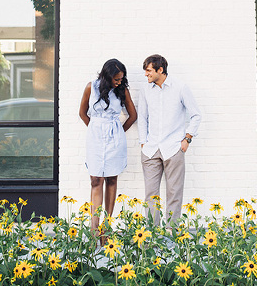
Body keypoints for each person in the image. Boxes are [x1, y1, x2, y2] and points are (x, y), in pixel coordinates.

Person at [138, 54, 202, 227]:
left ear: (160, 70)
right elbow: (142, 117)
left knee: (174, 193)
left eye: (149, 70)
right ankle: (152, 234)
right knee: (151, 194)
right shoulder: (145, 90)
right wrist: (143, 142)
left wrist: (187, 139)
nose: (146, 74)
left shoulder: (180, 87)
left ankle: (173, 234)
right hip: (150, 149)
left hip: (173, 148)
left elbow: (195, 114)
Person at [79, 58, 138, 237]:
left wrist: (119, 131)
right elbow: (82, 113)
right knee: (96, 180)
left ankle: (107, 226)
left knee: (112, 179)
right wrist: (95, 128)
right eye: (116, 79)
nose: (119, 82)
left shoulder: (122, 90)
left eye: (121, 79)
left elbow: (132, 115)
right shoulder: (91, 87)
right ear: (107, 76)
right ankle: (94, 228)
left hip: (114, 138)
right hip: (95, 137)